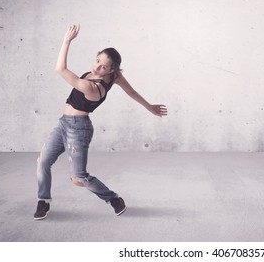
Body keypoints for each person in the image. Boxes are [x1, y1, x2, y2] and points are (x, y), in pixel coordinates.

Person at [34, 25, 167, 220]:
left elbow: (60, 69)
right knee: (43, 161)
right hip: (63, 123)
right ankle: (43, 200)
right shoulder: (114, 77)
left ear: (111, 69)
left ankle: (113, 198)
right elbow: (131, 92)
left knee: (80, 178)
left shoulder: (92, 87)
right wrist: (150, 107)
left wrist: (67, 40)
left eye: (103, 66)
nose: (97, 67)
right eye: (97, 61)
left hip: (78, 129)